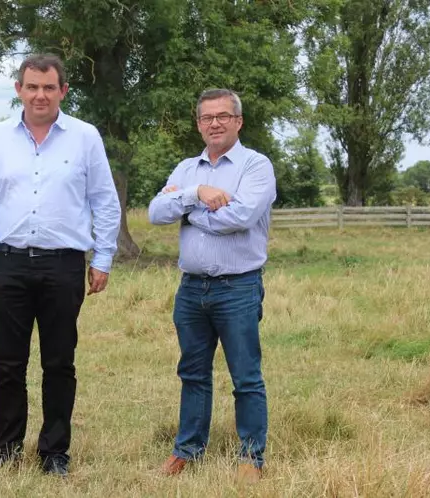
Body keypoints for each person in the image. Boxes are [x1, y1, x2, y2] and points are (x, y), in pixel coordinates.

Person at [0, 53, 121, 477]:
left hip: (64, 267)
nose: (40, 95)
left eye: (49, 87)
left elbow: (105, 201)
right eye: (32, 86)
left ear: (63, 91)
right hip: (10, 265)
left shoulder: (85, 138)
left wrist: (102, 257)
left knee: (59, 362)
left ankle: (54, 452)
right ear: (19, 89)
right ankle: (7, 450)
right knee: (8, 365)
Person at [148, 88, 276, 484]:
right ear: (199, 124)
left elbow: (239, 217)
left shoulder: (256, 166)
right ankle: (187, 450)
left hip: (237, 287)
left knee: (246, 375)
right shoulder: (187, 169)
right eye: (207, 118)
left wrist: (188, 214)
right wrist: (196, 194)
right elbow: (155, 212)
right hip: (191, 290)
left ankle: (251, 457)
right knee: (193, 373)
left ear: (238, 121)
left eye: (223, 116)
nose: (214, 123)